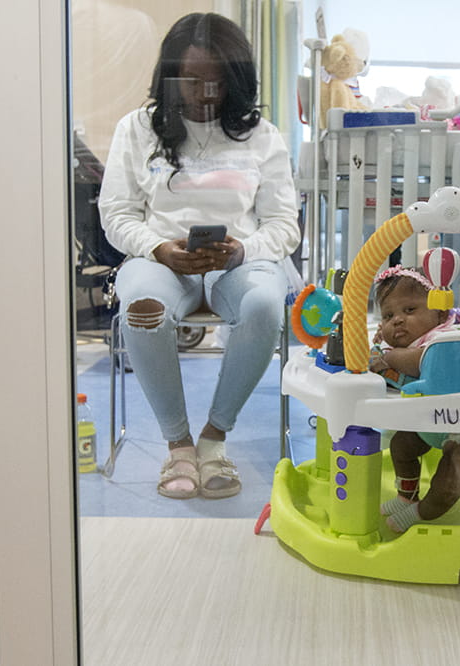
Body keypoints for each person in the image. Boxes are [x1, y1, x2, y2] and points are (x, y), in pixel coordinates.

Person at [98, 13, 300, 500]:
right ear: (170, 76)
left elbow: (283, 224)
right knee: (143, 310)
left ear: (236, 79)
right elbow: (116, 213)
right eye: (192, 80)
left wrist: (241, 252)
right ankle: (179, 447)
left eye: (217, 80)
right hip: (161, 257)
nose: (205, 92)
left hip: (241, 258)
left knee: (264, 306)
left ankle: (214, 438)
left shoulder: (262, 135)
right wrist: (159, 249)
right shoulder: (138, 129)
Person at [368, 266, 460, 533]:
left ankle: (421, 512)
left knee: (448, 483)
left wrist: (388, 358)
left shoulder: (445, 339)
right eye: (389, 315)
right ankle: (407, 496)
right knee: (401, 446)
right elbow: (393, 375)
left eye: (410, 310)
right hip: (429, 423)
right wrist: (381, 350)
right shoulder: (404, 347)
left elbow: (420, 362)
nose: (397, 321)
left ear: (439, 313)